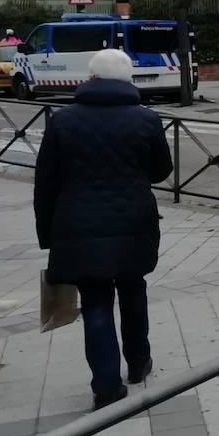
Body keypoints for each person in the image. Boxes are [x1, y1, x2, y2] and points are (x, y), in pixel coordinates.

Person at [34, 49, 173, 410]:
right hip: (134, 221)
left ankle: (106, 386)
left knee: (95, 301)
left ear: (91, 78)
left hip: (77, 226)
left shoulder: (62, 121)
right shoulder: (146, 119)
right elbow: (161, 170)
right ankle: (139, 362)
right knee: (133, 287)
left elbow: (45, 182)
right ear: (129, 81)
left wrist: (47, 236)